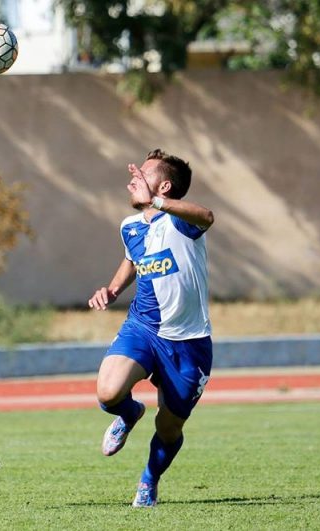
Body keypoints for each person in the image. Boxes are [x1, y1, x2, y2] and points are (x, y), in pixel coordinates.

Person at [87, 149, 214, 507]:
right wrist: (111, 290)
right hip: (142, 328)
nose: (132, 180)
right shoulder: (130, 227)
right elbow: (131, 260)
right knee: (108, 393)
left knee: (169, 428)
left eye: (141, 175)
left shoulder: (181, 222)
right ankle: (129, 413)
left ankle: (149, 479)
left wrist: (158, 202)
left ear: (164, 185)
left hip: (188, 343)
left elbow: (207, 216)